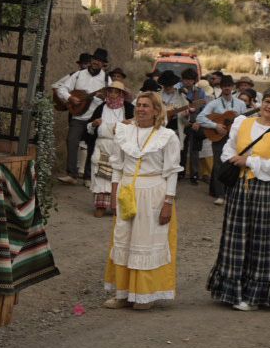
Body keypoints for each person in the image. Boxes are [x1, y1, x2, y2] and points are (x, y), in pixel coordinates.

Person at [207, 88, 270, 311]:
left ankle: (258, 296)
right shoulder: (242, 122)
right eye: (267, 101)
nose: (269, 106)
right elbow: (228, 149)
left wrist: (248, 161)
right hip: (241, 187)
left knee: (264, 243)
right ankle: (233, 292)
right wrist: (234, 158)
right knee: (236, 240)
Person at [103, 91, 182, 310]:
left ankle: (143, 294)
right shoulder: (124, 132)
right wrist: (113, 193)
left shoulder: (167, 136)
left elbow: (172, 172)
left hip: (153, 193)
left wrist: (168, 202)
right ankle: (122, 293)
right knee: (123, 240)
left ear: (157, 111)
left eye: (146, 106)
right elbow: (117, 166)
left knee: (145, 242)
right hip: (127, 191)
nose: (140, 109)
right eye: (138, 105)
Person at [52, 47, 109, 184]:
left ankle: (88, 177)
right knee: (71, 141)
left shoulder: (107, 80)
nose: (96, 62)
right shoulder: (78, 75)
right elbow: (61, 89)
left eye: (99, 61)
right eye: (95, 59)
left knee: (92, 146)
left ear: (103, 64)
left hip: (94, 118)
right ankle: (72, 175)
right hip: (78, 116)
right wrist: (70, 98)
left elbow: (111, 100)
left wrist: (103, 98)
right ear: (91, 60)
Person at [195, 75, 244, 204]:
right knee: (218, 165)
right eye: (224, 86)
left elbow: (246, 121)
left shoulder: (240, 104)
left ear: (232, 87)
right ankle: (220, 195)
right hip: (219, 137)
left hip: (236, 138)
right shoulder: (214, 103)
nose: (227, 88)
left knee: (235, 164)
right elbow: (200, 118)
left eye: (229, 85)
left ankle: (233, 193)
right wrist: (215, 125)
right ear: (221, 87)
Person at [87, 78, 133, 216]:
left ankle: (116, 206)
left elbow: (137, 126)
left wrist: (128, 124)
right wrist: (94, 124)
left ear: (121, 94)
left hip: (119, 147)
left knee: (117, 175)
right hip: (102, 145)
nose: (113, 94)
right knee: (100, 175)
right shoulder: (101, 107)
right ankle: (100, 206)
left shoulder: (129, 108)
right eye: (110, 91)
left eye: (116, 92)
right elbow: (89, 128)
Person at [180, 69, 209, 183]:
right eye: (185, 79)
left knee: (194, 151)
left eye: (190, 80)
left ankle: (194, 175)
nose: (187, 82)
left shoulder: (200, 92)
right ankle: (180, 173)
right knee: (182, 149)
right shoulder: (178, 90)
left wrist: (199, 122)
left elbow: (204, 109)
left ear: (194, 81)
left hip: (195, 123)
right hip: (182, 123)